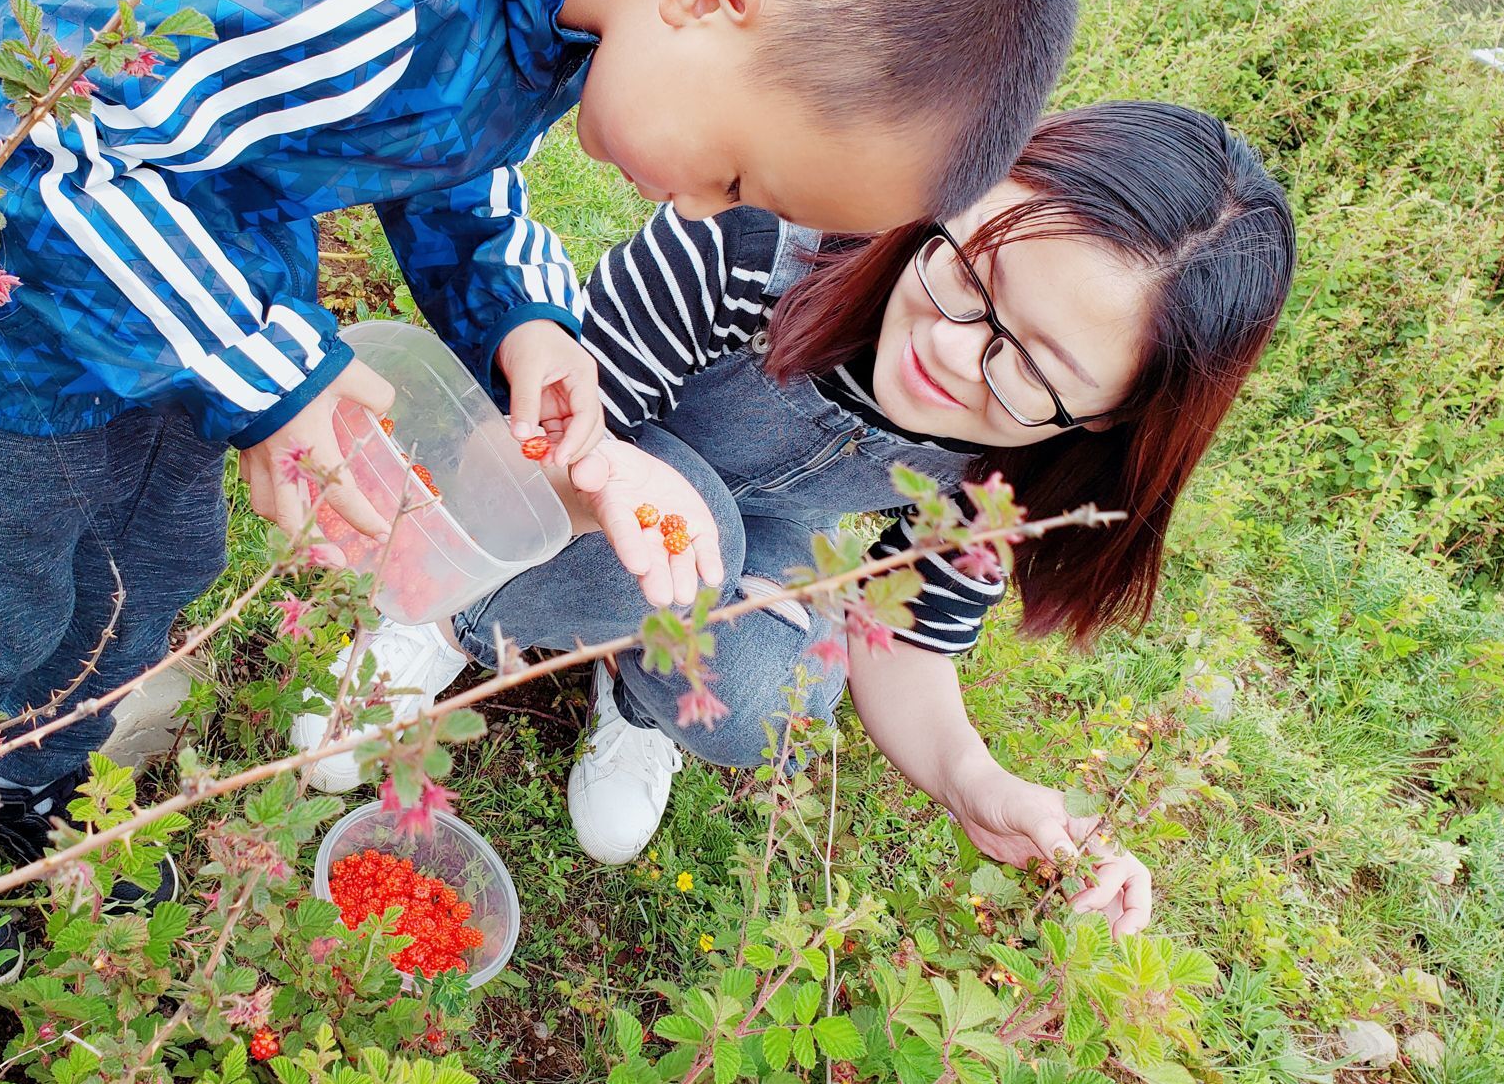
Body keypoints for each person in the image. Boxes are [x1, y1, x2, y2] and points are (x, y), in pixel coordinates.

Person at [0, 0, 1077, 913]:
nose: (695, 213)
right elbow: (35, 137)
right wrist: (276, 373)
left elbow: (450, 147)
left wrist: (527, 322)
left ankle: (18, 783)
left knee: (153, 564)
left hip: (172, 294)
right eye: (739, 174)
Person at [321, 103, 1294, 937]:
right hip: (594, 460)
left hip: (759, 542)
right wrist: (613, 491)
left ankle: (642, 690)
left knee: (786, 694)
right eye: (973, 272)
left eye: (1031, 367)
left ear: (1109, 414)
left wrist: (975, 781)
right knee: (690, 534)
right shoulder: (754, 245)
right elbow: (521, 449)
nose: (955, 355)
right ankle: (449, 615)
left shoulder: (1023, 456)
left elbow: (906, 634)